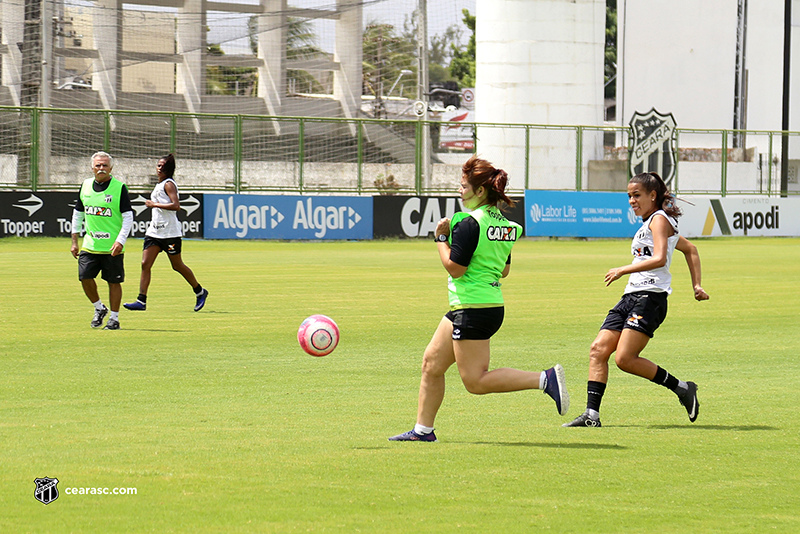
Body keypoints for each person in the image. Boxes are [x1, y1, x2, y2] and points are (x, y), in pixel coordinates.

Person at [389, 155, 569, 442]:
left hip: (472, 307)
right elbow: (505, 270)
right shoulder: (506, 225)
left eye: (463, 186)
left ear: (480, 191)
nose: (460, 191)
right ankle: (423, 431)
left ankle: (544, 379)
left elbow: (455, 269)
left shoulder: (468, 223)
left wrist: (440, 239)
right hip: (486, 305)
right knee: (431, 364)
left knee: (475, 382)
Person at [564, 172, 710, 428]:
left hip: (650, 298)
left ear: (652, 196)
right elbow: (691, 249)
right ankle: (591, 416)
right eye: (629, 196)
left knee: (625, 359)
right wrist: (696, 285)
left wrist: (622, 269)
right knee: (598, 350)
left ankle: (683, 388)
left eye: (637, 195)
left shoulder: (659, 220)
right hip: (630, 296)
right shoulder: (652, 223)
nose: (632, 200)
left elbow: (660, 259)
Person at [123, 154, 208, 313]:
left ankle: (200, 291)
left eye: (163, 166)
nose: (159, 168)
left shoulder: (169, 184)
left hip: (169, 233)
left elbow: (176, 206)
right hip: (154, 232)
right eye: (158, 165)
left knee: (177, 265)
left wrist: (154, 204)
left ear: (169, 169)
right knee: (145, 264)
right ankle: (141, 301)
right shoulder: (159, 184)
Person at [70, 151, 134, 330]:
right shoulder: (85, 185)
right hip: (90, 245)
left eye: (105, 165)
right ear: (92, 167)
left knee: (114, 281)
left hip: (112, 247)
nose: (101, 168)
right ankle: (99, 308)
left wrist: (120, 240)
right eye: (98, 165)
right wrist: (74, 240)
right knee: (85, 277)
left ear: (111, 167)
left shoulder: (119, 187)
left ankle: (114, 319)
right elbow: (78, 214)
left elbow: (128, 217)